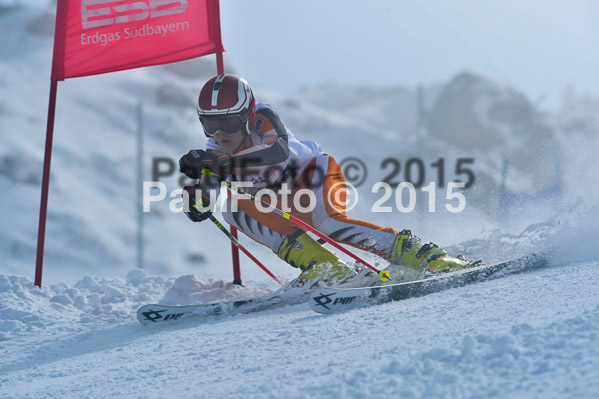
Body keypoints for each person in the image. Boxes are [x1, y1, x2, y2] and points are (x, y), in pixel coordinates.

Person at [179, 75, 472, 286]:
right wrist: (197, 200)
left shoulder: (262, 118)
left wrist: (224, 164)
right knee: (232, 208)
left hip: (313, 176)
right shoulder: (216, 150)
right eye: (209, 124)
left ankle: (424, 255)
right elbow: (210, 187)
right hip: (280, 199)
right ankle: (324, 266)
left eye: (227, 123)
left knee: (330, 224)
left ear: (246, 115)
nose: (219, 134)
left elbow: (278, 152)